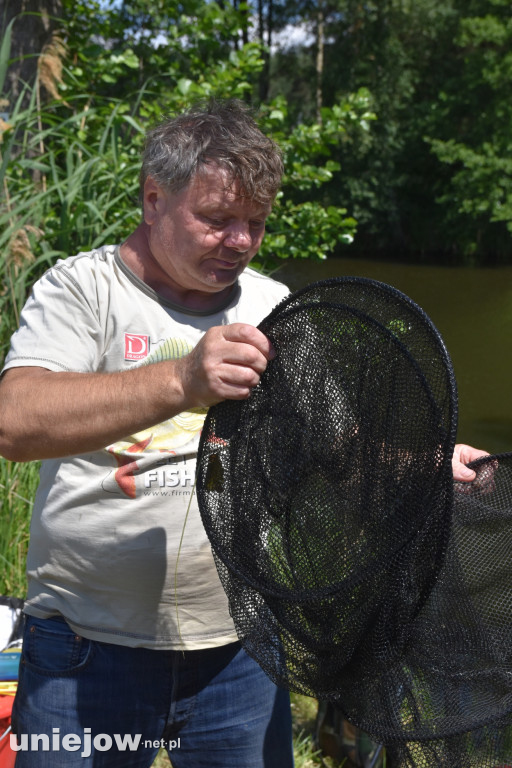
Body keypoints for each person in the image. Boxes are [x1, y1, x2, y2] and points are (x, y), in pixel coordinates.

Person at [0, 98, 487, 768]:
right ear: (152, 199)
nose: (239, 241)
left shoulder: (271, 305)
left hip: (239, 654)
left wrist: (426, 460)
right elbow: (15, 421)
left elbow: (340, 452)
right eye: (216, 219)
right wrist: (180, 381)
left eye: (254, 223)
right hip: (85, 651)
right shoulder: (82, 290)